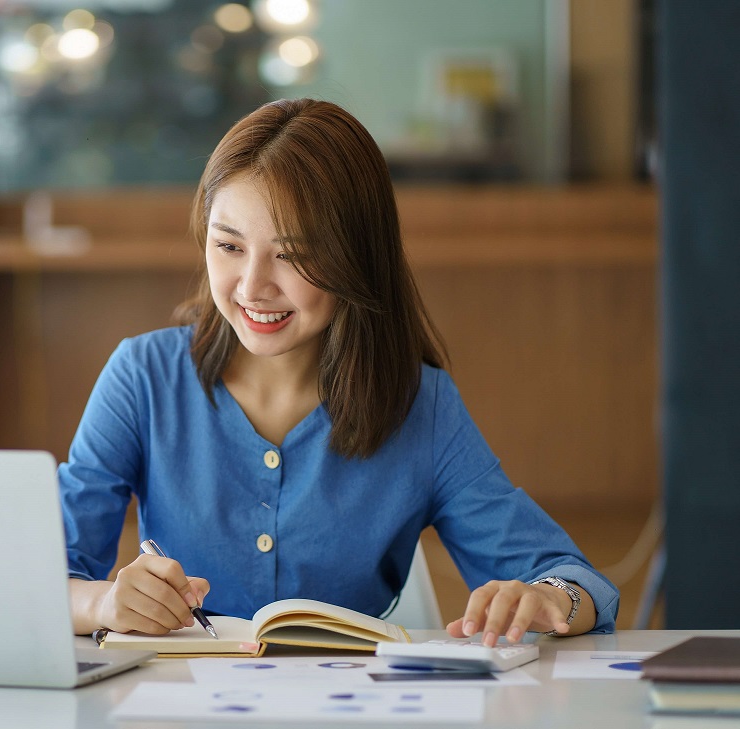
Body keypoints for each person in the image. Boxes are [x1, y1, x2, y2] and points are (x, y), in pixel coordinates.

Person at [59, 98, 619, 647]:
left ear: (356, 257)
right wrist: (103, 602)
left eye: (293, 254)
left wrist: (550, 598)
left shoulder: (420, 406)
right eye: (229, 245)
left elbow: (571, 579)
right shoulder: (142, 377)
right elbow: (45, 578)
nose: (253, 286)